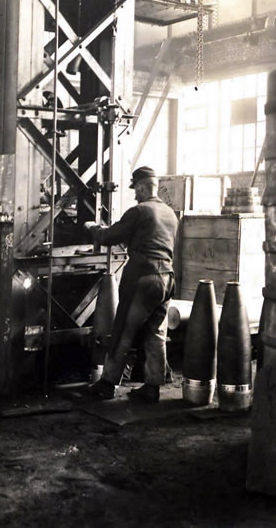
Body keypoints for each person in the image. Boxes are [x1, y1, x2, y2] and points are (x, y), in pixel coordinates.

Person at [84, 166, 178, 403]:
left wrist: (93, 228)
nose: (135, 194)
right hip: (167, 279)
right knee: (156, 333)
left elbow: (108, 237)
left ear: (143, 187)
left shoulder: (139, 211)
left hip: (144, 278)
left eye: (136, 189)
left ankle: (107, 384)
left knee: (123, 329)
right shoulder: (170, 213)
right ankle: (152, 387)